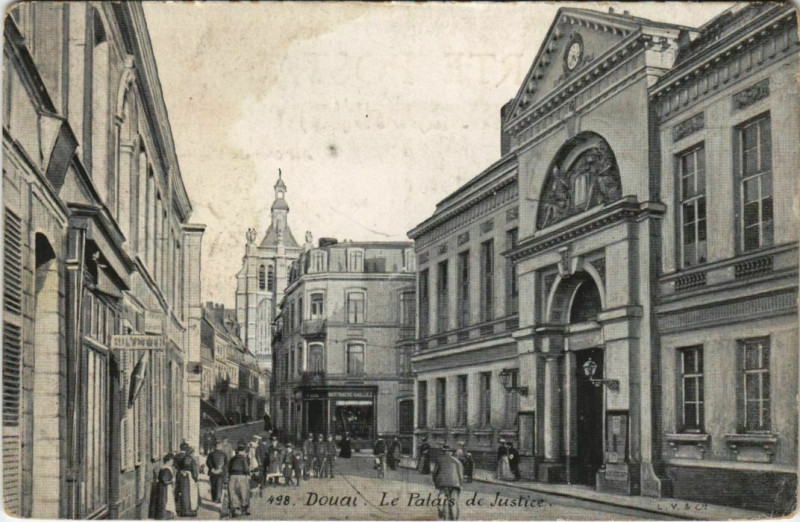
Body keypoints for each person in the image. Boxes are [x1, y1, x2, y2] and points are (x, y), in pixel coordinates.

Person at [431, 445, 464, 521]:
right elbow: (461, 475)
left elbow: (434, 473)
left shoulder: (439, 459)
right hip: (455, 484)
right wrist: (461, 485)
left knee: (441, 499)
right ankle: (454, 518)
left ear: (444, 452)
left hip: (442, 484)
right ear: (451, 452)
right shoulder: (457, 461)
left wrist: (436, 484)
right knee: (454, 502)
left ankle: (441, 513)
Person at [150, 453, 177, 520]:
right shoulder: (166, 469)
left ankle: (165, 516)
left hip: (164, 487)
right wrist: (171, 481)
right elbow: (165, 480)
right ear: (168, 461)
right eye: (171, 461)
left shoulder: (165, 468)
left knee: (165, 502)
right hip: (165, 488)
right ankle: (165, 516)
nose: (172, 462)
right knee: (166, 502)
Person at [228, 443, 251, 517]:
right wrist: (248, 474)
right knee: (244, 492)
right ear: (244, 451)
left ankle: (235, 509)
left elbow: (228, 468)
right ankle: (244, 509)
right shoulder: (243, 458)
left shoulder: (232, 458)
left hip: (232, 476)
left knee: (233, 492)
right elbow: (246, 468)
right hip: (242, 476)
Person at [175, 445, 199, 517]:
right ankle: (189, 510)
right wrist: (195, 479)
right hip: (190, 477)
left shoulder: (183, 459)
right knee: (191, 494)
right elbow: (194, 471)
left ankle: (183, 510)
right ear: (191, 453)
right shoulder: (192, 460)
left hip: (183, 476)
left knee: (184, 493)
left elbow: (178, 467)